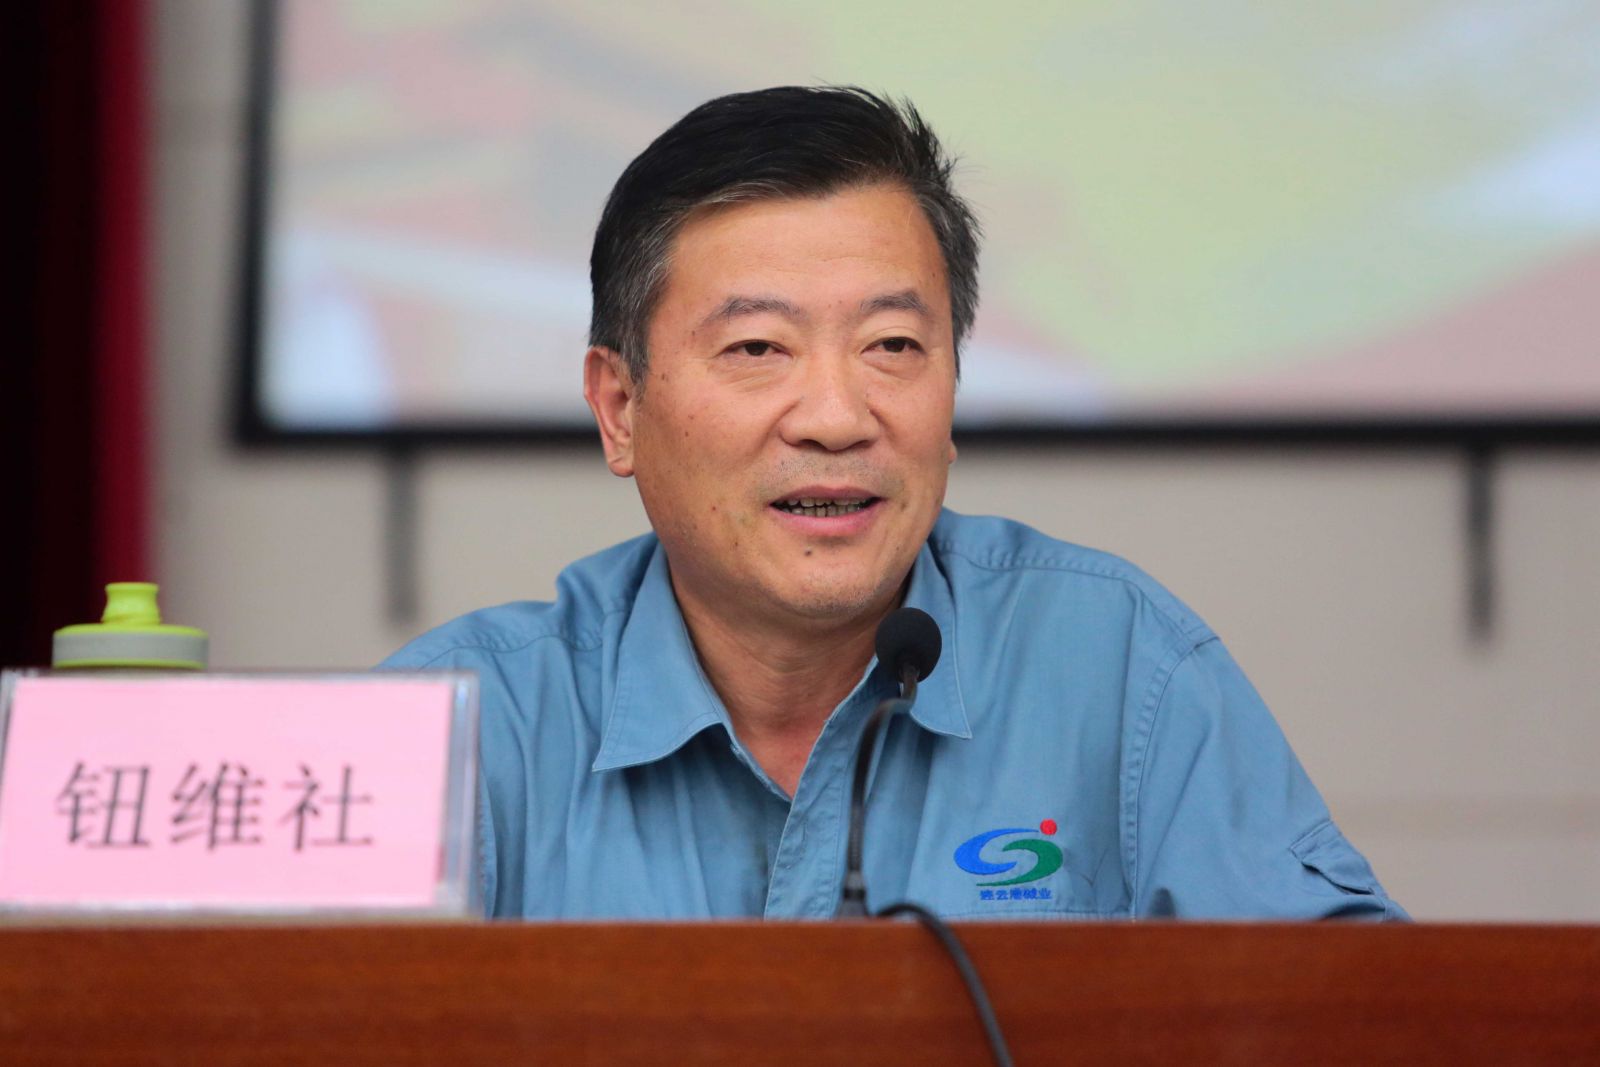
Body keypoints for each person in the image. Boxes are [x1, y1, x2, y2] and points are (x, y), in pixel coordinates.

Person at [382, 86, 1406, 921]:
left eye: (893, 346)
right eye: (757, 347)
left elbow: (1358, 1016)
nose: (836, 417)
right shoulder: (456, 730)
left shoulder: (1118, 669)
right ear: (619, 408)